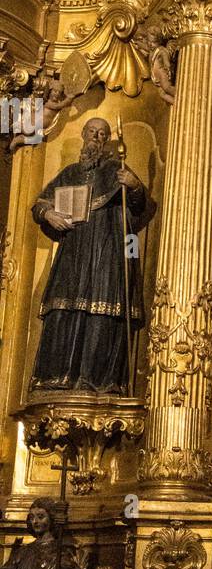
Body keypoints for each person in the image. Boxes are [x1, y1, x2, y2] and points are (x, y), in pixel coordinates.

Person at [30, 117, 155, 394]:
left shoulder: (116, 169)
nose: (96, 138)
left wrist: (134, 185)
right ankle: (56, 378)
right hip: (73, 252)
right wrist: (49, 214)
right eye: (92, 133)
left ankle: (97, 380)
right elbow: (39, 205)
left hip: (108, 250)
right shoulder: (70, 173)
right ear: (84, 135)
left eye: (102, 134)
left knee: (101, 311)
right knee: (64, 309)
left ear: (107, 140)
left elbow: (138, 208)